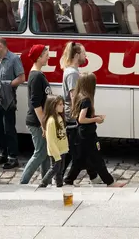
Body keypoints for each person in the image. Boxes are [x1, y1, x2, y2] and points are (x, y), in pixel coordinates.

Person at [65, 73, 125, 187]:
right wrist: (96, 119)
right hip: (88, 134)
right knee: (97, 159)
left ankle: (69, 180)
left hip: (81, 134)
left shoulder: (78, 96)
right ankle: (110, 182)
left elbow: (78, 116)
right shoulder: (87, 99)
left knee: (79, 160)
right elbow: (82, 119)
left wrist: (94, 116)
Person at [0, 37, 25, 169]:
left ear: (1, 46)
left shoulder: (14, 59)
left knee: (9, 128)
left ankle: (13, 157)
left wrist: (7, 86)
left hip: (7, 98)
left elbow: (21, 77)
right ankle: (3, 154)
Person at [59, 42, 91, 186]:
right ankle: (62, 177)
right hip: (72, 118)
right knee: (75, 151)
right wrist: (79, 117)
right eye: (84, 53)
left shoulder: (72, 71)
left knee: (74, 150)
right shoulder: (72, 73)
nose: (86, 56)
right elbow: (74, 98)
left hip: (72, 117)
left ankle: (61, 176)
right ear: (77, 55)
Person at [21, 45, 53, 185]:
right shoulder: (36, 76)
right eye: (46, 55)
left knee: (45, 153)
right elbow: (35, 103)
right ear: (39, 57)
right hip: (36, 122)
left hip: (39, 121)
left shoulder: (38, 75)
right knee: (40, 152)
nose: (48, 57)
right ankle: (23, 182)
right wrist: (43, 124)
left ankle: (45, 181)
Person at [38, 95, 70, 188]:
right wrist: (57, 155)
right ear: (53, 106)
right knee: (54, 168)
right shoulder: (51, 121)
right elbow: (51, 140)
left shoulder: (59, 118)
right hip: (56, 152)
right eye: (60, 104)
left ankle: (59, 184)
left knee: (60, 170)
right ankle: (43, 183)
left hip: (62, 150)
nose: (63, 106)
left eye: (62, 104)